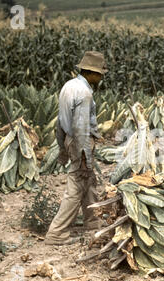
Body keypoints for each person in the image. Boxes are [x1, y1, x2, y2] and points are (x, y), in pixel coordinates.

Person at [45, 51, 108, 245]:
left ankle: (92, 220)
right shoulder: (85, 93)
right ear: (91, 73)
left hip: (71, 140)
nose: (101, 78)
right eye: (100, 74)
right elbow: (80, 128)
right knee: (77, 184)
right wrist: (85, 156)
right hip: (81, 142)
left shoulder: (69, 86)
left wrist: (62, 146)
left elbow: (60, 121)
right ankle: (57, 233)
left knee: (89, 181)